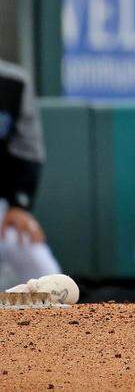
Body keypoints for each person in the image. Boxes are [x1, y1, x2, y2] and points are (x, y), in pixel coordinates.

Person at [0, 59, 62, 289]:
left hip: (2, 210)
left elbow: (29, 151)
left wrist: (19, 205)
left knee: (45, 274)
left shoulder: (13, 82)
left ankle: (50, 325)